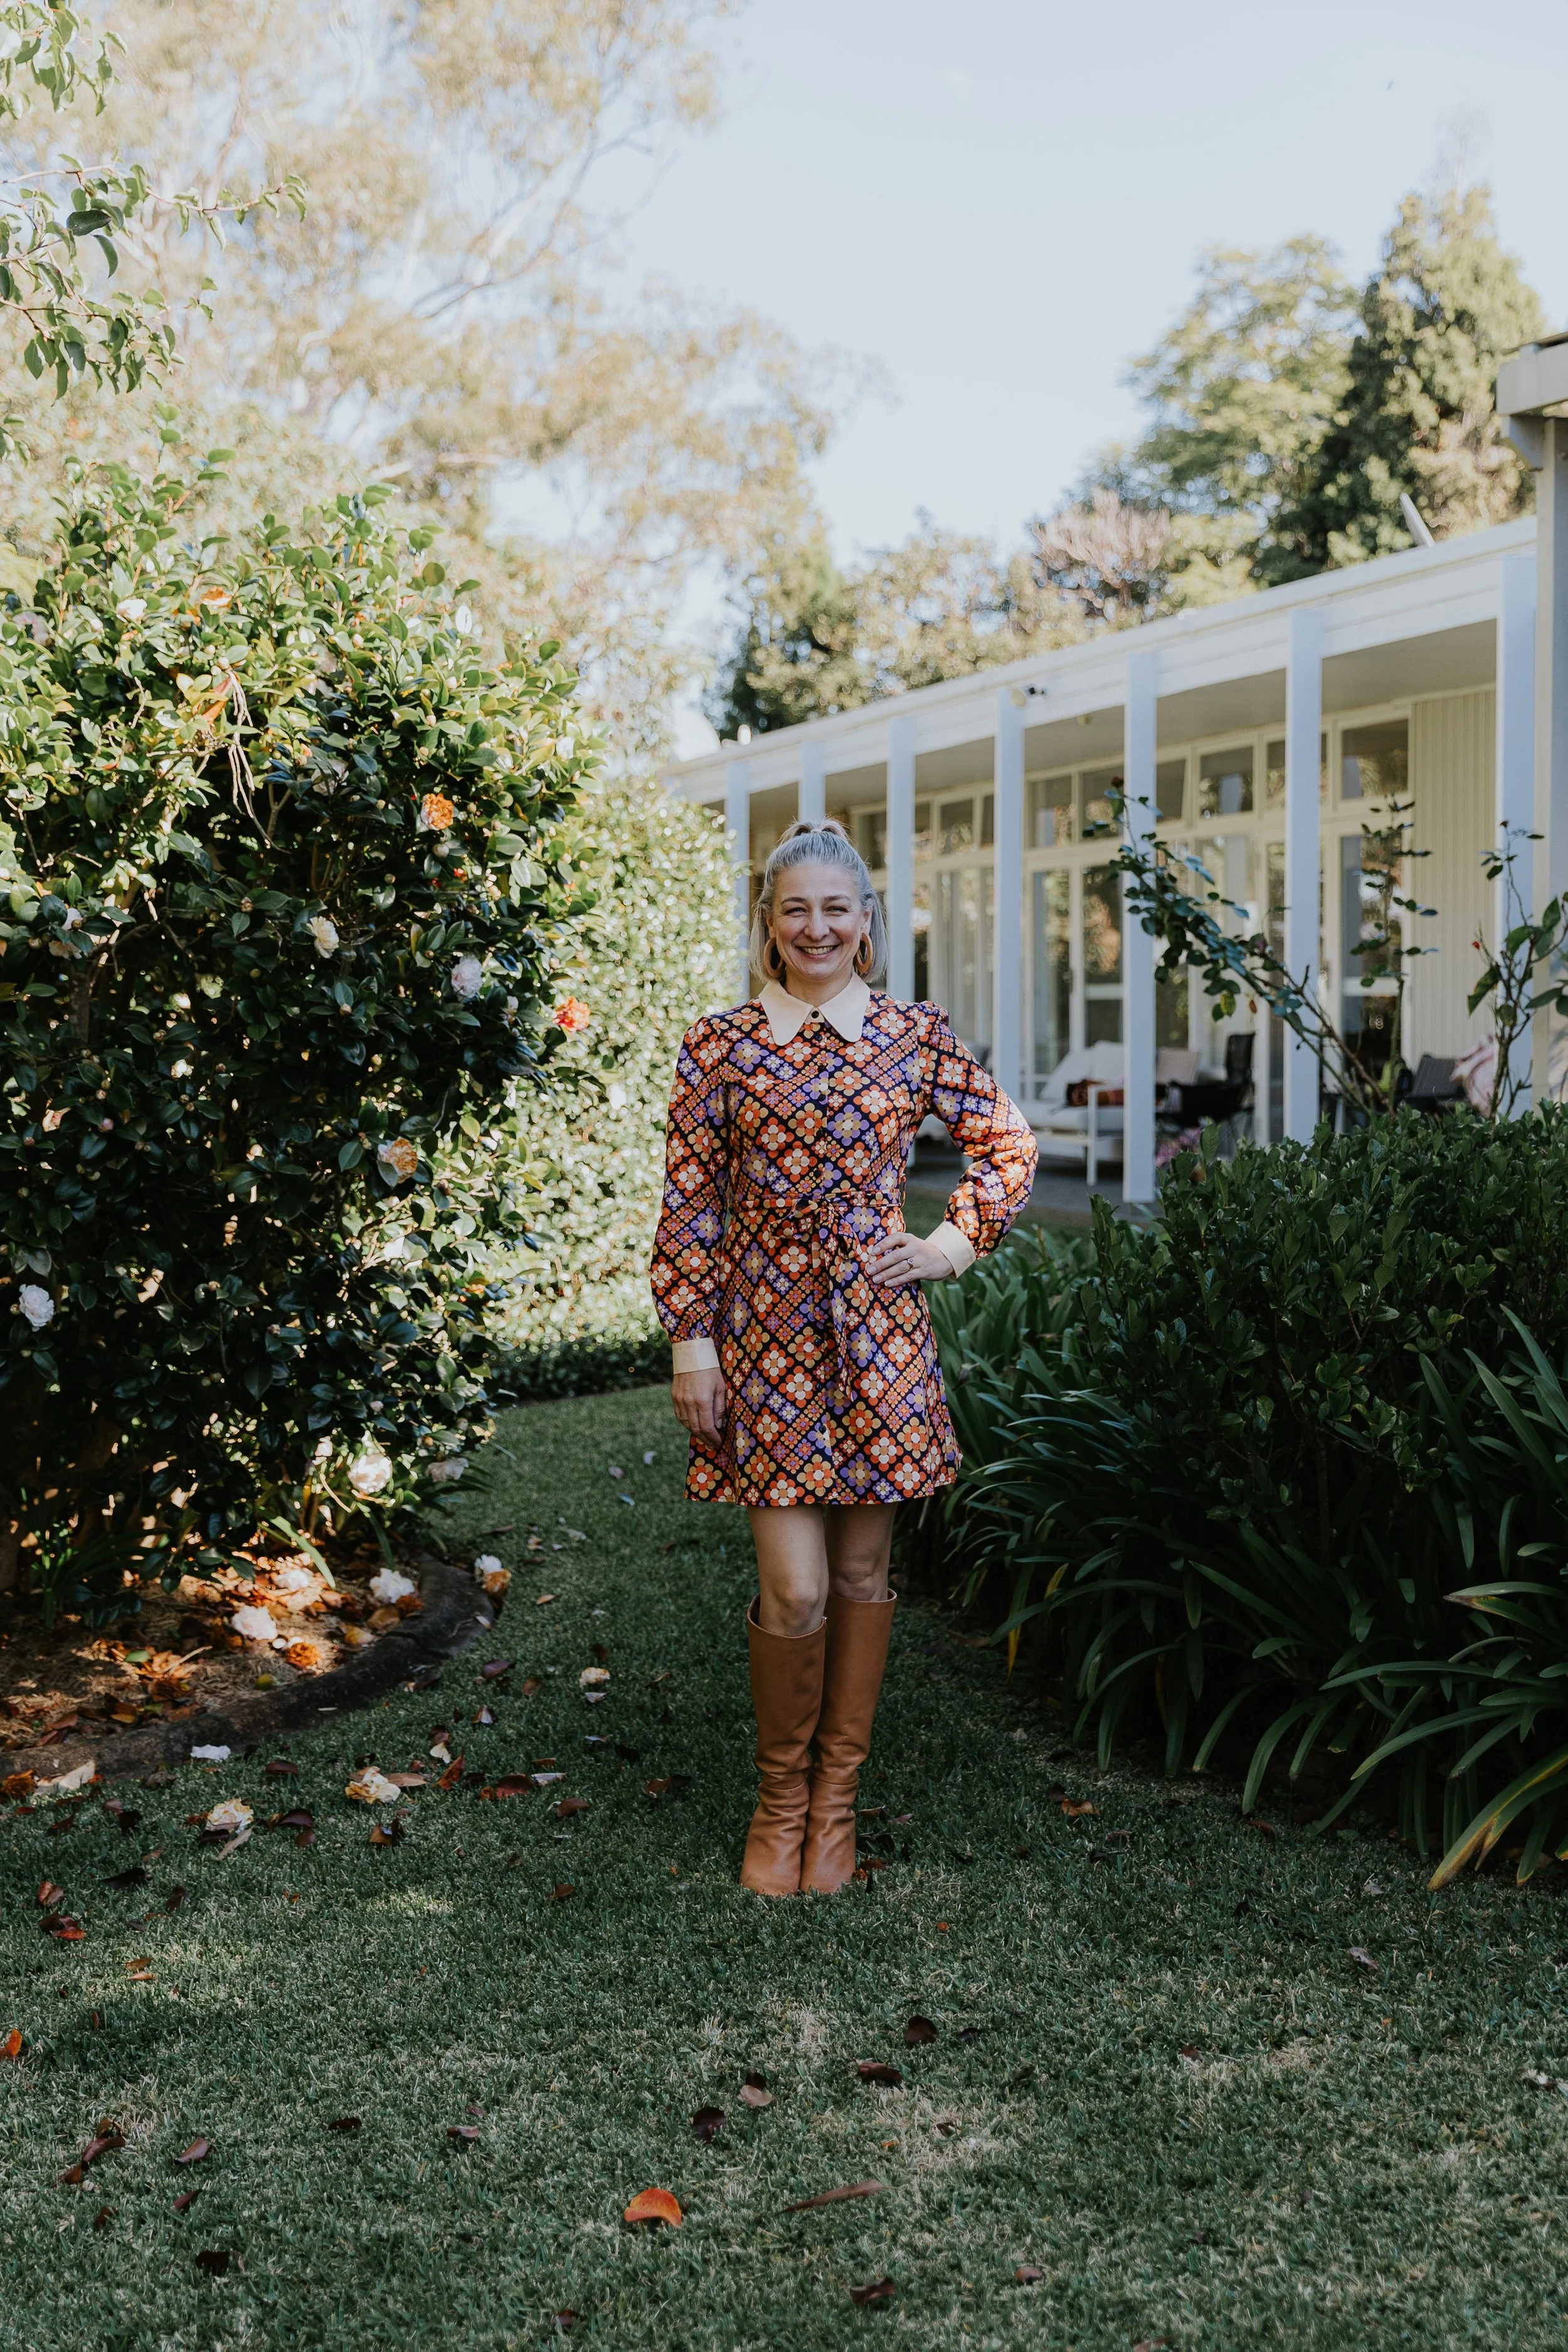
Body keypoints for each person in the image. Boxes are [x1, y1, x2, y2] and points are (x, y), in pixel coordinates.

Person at [650, 818, 1037, 1895]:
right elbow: (690, 1204)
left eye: (837, 908)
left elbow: (1008, 1141)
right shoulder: (718, 1046)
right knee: (795, 1584)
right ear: (769, 927)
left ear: (864, 923)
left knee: (864, 1572)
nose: (816, 927)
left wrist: (949, 1245)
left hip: (879, 1333)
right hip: (763, 1336)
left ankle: (836, 1806)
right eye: (795, 909)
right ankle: (780, 1800)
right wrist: (693, 1341)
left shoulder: (914, 1036)